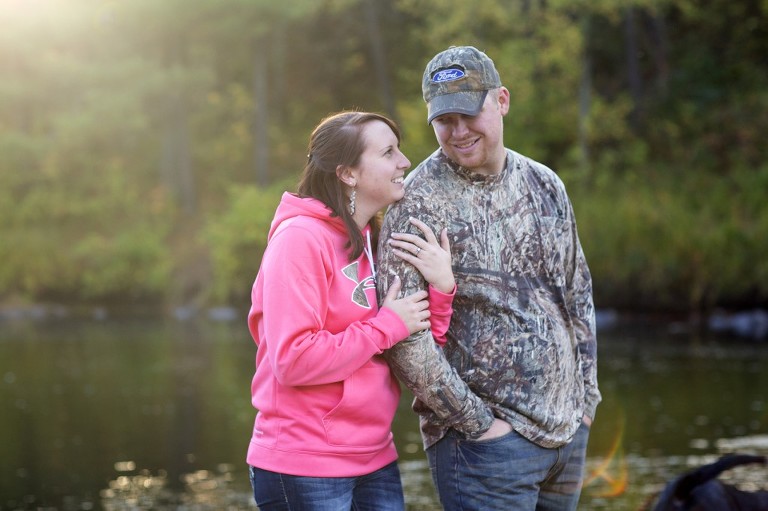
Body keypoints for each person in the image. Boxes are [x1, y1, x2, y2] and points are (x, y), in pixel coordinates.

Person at [376, 46, 602, 510]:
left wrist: (586, 402)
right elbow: (405, 337)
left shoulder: (544, 184)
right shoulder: (415, 203)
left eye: (469, 113)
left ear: (501, 100)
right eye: (444, 119)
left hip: (567, 437)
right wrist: (480, 426)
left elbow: (576, 294)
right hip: (484, 452)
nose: (458, 132)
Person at [245, 110, 458, 510]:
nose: (404, 162)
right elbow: (293, 360)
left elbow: (421, 351)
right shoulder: (299, 240)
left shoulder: (375, 239)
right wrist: (384, 327)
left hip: (375, 459)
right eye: (388, 152)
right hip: (305, 464)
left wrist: (443, 287)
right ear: (347, 174)